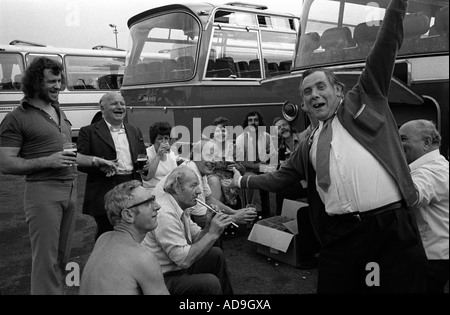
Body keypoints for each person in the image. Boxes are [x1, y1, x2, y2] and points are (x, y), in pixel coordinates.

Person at [230, 0, 428, 293]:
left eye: (321, 87)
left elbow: (386, 45)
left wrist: (397, 5)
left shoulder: (365, 100)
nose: (314, 94)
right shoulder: (308, 140)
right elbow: (281, 177)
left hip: (390, 227)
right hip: (341, 234)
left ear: (338, 91)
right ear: (303, 103)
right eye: (307, 92)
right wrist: (243, 179)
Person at [0, 57, 117, 295]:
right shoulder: (17, 117)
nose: (58, 86)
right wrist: (47, 161)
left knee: (62, 259)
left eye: (59, 80)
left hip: (70, 190)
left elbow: (69, 155)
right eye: (52, 81)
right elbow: (5, 163)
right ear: (35, 83)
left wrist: (95, 161)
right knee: (45, 262)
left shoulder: (57, 110)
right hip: (43, 193)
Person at [141, 165, 234, 294]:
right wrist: (212, 233)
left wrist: (208, 225)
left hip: (174, 266)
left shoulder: (179, 205)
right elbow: (184, 261)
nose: (199, 191)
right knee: (209, 283)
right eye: (193, 186)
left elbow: (195, 238)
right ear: (177, 188)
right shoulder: (165, 214)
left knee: (215, 255)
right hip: (161, 278)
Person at [77, 91, 147, 241]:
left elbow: (142, 157)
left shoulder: (134, 131)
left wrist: (144, 167)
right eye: (115, 103)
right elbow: (80, 163)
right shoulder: (88, 132)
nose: (120, 107)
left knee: (133, 230)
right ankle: (103, 261)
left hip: (131, 187)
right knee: (107, 233)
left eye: (122, 103)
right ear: (102, 108)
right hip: (105, 188)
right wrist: (98, 165)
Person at [80, 180, 169, 295]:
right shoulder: (142, 257)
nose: (157, 206)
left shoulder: (103, 239)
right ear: (128, 215)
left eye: (153, 199)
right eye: (148, 202)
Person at [155, 138, 256, 229]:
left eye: (216, 157)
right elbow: (201, 220)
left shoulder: (198, 171)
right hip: (163, 223)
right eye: (208, 155)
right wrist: (234, 218)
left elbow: (209, 199)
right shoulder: (190, 174)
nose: (213, 161)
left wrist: (234, 212)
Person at [399, 119, 449, 293]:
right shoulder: (437, 167)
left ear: (426, 143)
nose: (398, 145)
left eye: (403, 139)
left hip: (431, 259)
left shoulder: (433, 172)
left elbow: (412, 195)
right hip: (436, 256)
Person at [235, 111, 276, 217]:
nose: (253, 122)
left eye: (256, 120)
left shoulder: (266, 136)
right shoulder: (241, 138)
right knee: (250, 180)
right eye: (250, 120)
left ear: (260, 122)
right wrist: (256, 166)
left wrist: (268, 166)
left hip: (264, 168)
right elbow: (239, 163)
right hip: (247, 170)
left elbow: (273, 157)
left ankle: (274, 213)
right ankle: (254, 214)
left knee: (277, 174)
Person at [207, 117, 245, 208]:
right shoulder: (208, 147)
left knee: (229, 183)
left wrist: (237, 167)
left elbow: (243, 170)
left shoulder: (234, 148)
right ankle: (217, 211)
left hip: (229, 180)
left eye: (223, 131)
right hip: (212, 178)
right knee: (214, 181)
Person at [141, 121, 178, 192]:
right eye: (160, 138)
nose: (164, 141)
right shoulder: (146, 154)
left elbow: (174, 175)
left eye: (166, 138)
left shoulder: (171, 153)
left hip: (166, 190)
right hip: (151, 190)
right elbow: (147, 177)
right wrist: (158, 155)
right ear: (153, 140)